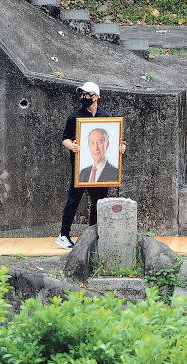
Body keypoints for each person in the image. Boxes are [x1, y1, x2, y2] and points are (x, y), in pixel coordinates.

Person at [56, 81, 126, 249]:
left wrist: (121, 148)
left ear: (96, 97)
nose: (83, 97)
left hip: (102, 171)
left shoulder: (107, 117)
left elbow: (115, 140)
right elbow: (65, 138)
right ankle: (63, 234)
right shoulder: (74, 117)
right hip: (81, 167)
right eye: (82, 94)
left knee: (99, 201)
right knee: (73, 200)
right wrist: (71, 146)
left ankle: (93, 235)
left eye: (87, 94)